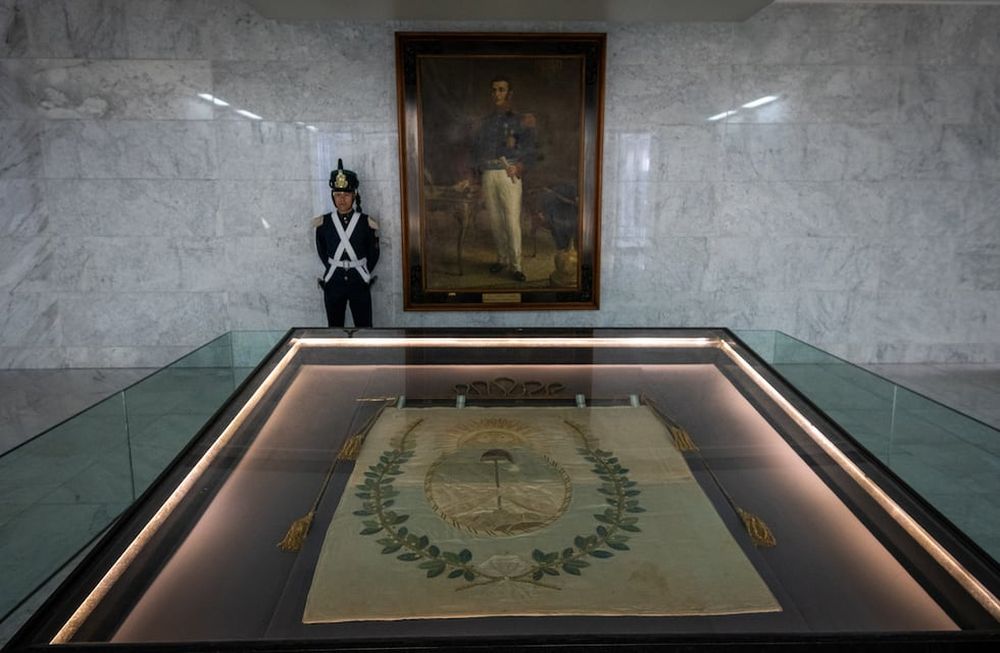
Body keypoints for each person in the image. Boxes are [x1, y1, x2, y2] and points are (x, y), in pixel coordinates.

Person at [471, 75, 536, 282]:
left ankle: (516, 266)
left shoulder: (521, 120)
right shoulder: (485, 122)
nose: (497, 93)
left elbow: (530, 150)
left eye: (501, 89)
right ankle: (502, 258)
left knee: (511, 221)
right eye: (494, 90)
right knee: (495, 220)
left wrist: (518, 166)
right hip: (489, 174)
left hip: (510, 175)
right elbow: (477, 152)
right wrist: (477, 176)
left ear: (510, 93)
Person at [313, 159, 380, 327]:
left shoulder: (366, 222)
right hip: (334, 282)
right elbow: (322, 250)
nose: (341, 199)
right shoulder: (324, 223)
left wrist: (361, 270)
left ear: (354, 195)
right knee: (334, 329)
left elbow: (373, 253)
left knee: (364, 328)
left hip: (359, 282)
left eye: (346, 195)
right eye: (337, 195)